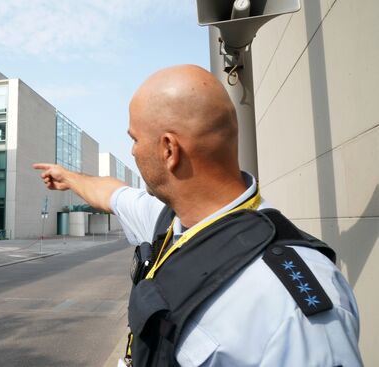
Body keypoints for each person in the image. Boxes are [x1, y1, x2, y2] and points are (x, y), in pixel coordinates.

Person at [33, 65, 362, 366]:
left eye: (134, 139)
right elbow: (111, 193)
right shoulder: (169, 221)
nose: (131, 151)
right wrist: (69, 178)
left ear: (168, 149)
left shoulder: (291, 308)